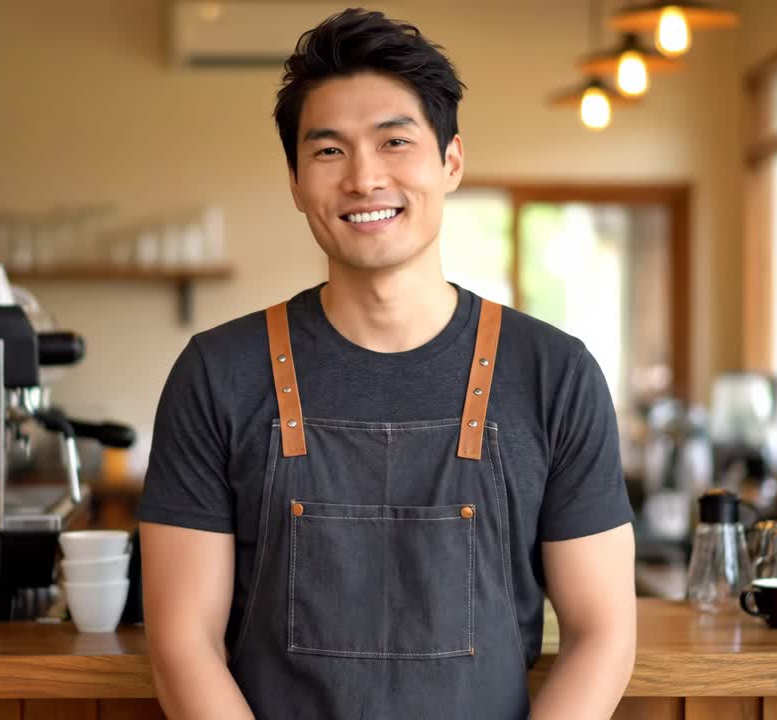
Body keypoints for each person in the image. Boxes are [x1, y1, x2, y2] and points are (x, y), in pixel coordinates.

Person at [138, 8, 636, 719]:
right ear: (295, 179)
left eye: (394, 142)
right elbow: (182, 643)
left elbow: (603, 632)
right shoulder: (217, 373)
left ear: (451, 161)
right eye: (330, 151)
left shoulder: (554, 374)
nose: (364, 178)